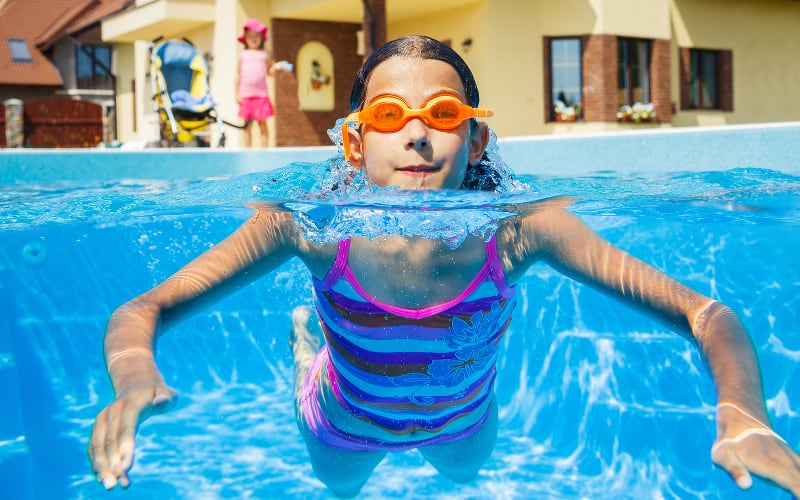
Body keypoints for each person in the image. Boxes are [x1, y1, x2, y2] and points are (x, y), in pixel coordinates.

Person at [88, 35, 800, 497]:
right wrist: (135, 374)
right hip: (342, 423)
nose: (420, 134)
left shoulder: (525, 231)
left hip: (464, 425)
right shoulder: (309, 226)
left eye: (444, 112)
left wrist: (745, 415)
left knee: (464, 473)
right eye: (392, 115)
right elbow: (140, 311)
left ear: (477, 138)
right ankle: (309, 352)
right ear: (355, 146)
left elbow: (706, 313)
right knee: (340, 488)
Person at [236, 18, 291, 148]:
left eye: (257, 36)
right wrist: (237, 93)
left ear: (261, 38)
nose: (254, 39)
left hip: (261, 95)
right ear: (245, 38)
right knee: (247, 126)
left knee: (262, 124)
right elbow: (238, 75)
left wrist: (276, 67)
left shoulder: (265, 54)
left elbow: (270, 72)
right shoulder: (242, 55)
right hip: (246, 95)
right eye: (251, 36)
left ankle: (264, 150)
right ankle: (247, 150)